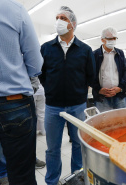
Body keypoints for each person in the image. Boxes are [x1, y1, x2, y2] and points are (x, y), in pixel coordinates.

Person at [39, 6, 95, 185]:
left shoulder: (85, 49)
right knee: (52, 149)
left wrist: (78, 92)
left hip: (77, 105)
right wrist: (51, 89)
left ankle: (77, 178)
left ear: (73, 24)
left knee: (78, 145)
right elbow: (42, 74)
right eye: (57, 17)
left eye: (63, 17)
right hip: (53, 107)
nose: (58, 21)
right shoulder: (46, 48)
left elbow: (90, 75)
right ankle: (52, 181)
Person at [0, 1, 43, 185]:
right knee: (21, 175)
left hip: (13, 104)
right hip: (13, 102)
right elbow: (35, 62)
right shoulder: (13, 9)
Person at [92, 27, 126, 112]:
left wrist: (120, 88)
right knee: (104, 122)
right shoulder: (94, 55)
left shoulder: (120, 53)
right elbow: (90, 74)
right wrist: (98, 89)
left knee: (121, 120)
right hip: (102, 97)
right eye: (109, 39)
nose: (112, 40)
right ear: (102, 40)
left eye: (114, 38)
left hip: (119, 96)